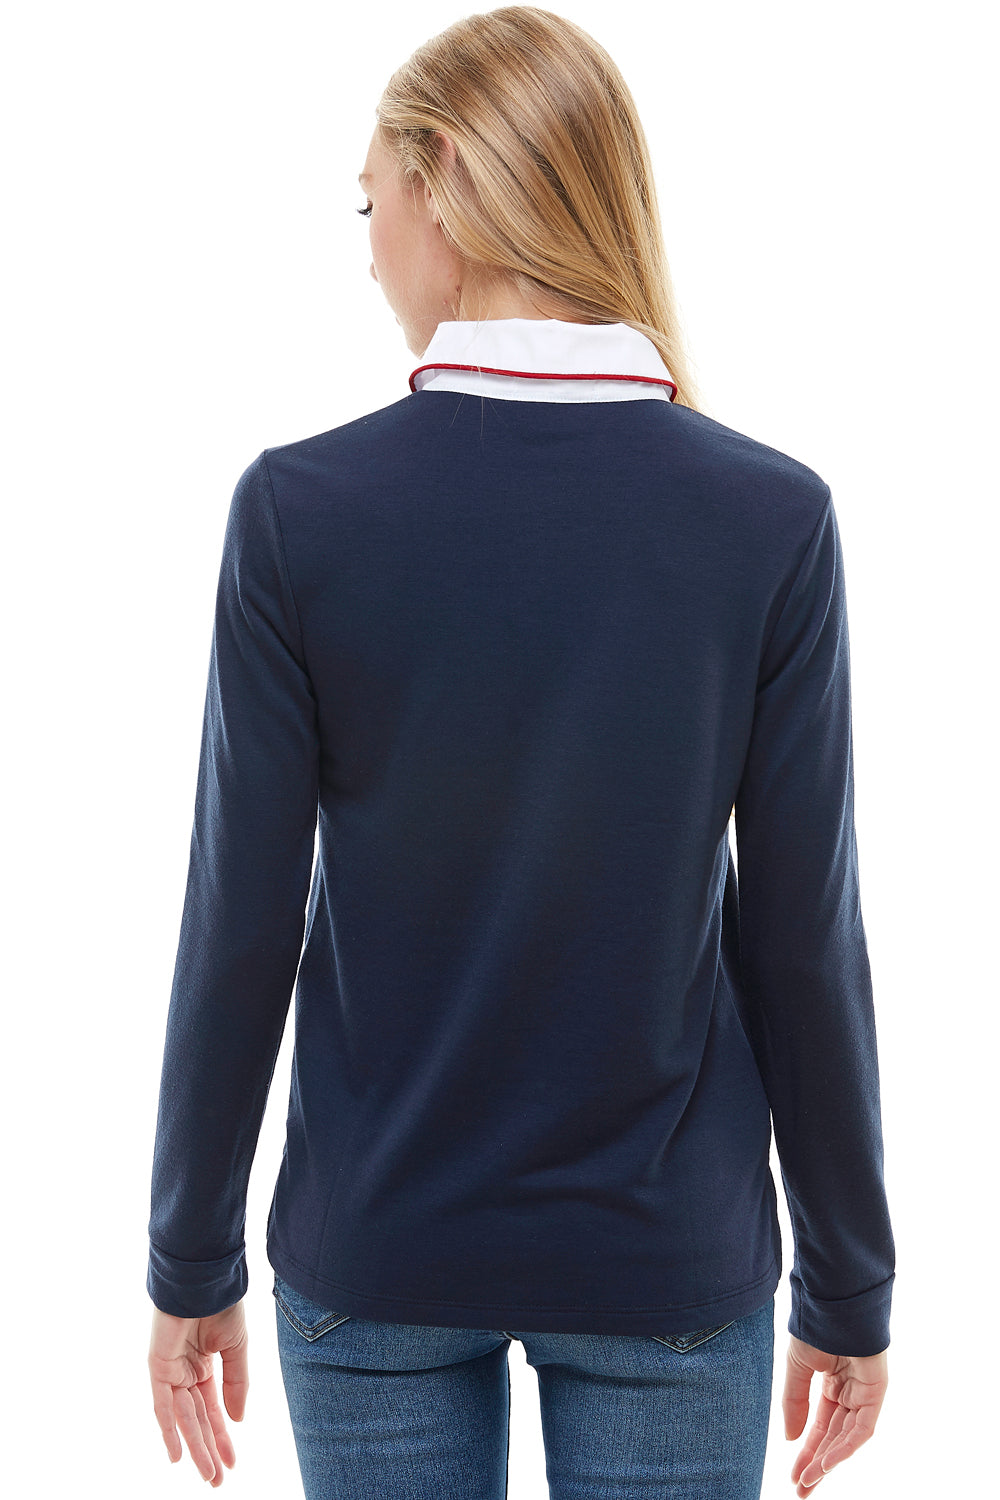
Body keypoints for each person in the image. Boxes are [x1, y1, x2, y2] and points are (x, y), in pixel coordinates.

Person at [146, 8, 894, 1497]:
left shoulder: (300, 514)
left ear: (441, 182)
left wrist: (189, 1258)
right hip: (667, 1261)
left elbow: (241, 921)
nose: (368, 252)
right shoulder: (767, 518)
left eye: (368, 201)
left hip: (376, 1249)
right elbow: (801, 938)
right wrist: (850, 1284)